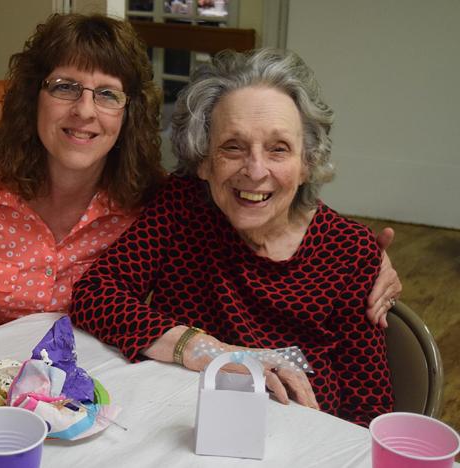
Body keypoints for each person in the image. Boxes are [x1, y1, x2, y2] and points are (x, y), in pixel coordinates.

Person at [0, 16, 398, 386]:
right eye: (65, 87)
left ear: (128, 114)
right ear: (34, 99)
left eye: (107, 94)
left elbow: (265, 212)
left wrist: (370, 259)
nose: (85, 111)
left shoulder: (144, 200)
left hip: (55, 391)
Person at [70, 49, 395, 426]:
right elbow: (96, 294)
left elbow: (370, 414)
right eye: (233, 147)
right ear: (203, 160)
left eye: (278, 149)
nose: (255, 171)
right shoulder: (182, 207)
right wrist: (210, 351)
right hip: (180, 426)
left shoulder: (350, 253)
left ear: (307, 163)